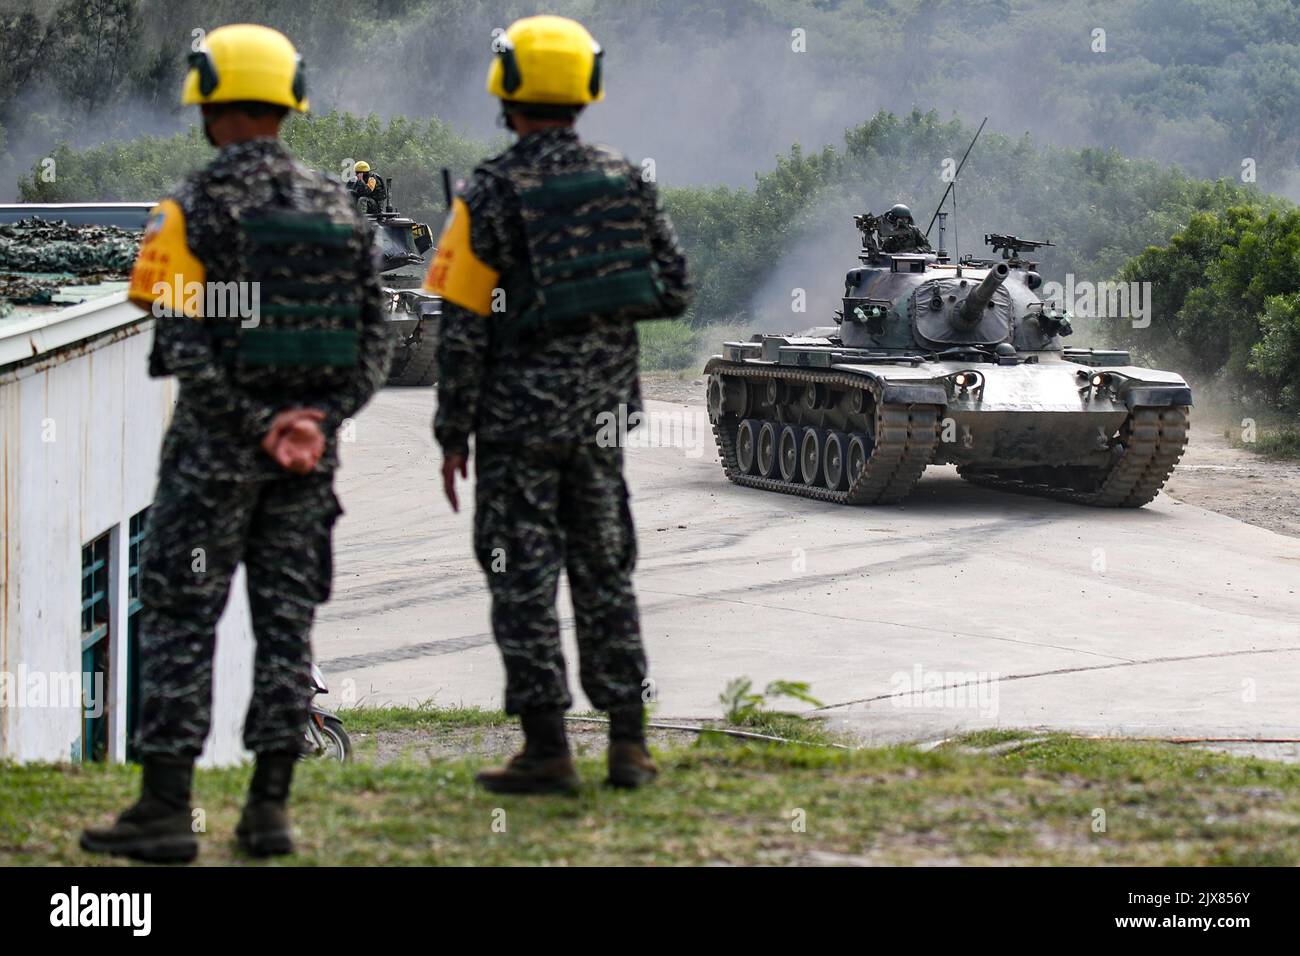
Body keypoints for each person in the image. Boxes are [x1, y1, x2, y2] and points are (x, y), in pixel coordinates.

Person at [79, 23, 391, 863]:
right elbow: (374, 345)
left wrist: (254, 424)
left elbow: (179, 342)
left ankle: (165, 811)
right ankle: (269, 811)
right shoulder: (339, 212)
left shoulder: (187, 209)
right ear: (289, 106)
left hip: (211, 462)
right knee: (286, 629)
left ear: (210, 108)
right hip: (306, 465)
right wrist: (311, 424)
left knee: (180, 623)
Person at [426, 14, 690, 794]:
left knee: (522, 577)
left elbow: (465, 326)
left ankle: (547, 750)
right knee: (607, 573)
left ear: (506, 89)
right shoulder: (627, 182)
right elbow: (672, 290)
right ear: (587, 89)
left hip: (516, 425)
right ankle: (630, 748)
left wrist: (452, 432)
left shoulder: (491, 192)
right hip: (601, 420)